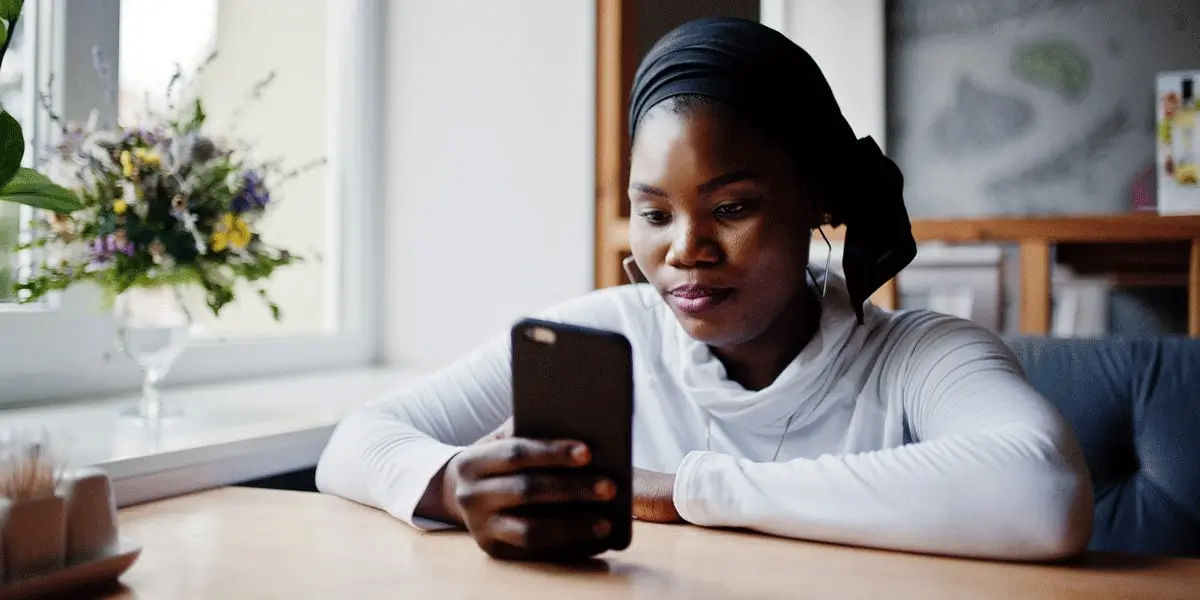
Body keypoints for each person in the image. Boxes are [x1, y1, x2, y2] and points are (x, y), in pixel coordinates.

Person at [315, 17, 1093, 563]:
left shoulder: (918, 358)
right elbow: (356, 441)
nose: (685, 249)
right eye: (655, 213)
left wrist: (678, 491)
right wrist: (453, 487)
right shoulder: (606, 335)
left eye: (731, 208)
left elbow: (1042, 493)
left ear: (815, 201)